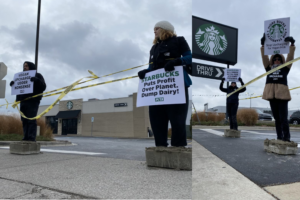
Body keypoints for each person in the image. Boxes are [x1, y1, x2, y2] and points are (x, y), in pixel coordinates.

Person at [137, 21, 192, 147]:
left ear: (166, 29)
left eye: (157, 29)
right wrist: (147, 71)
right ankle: (160, 147)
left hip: (176, 86)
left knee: (177, 119)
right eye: (154, 29)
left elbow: (190, 57)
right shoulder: (154, 48)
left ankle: (178, 147)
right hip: (157, 88)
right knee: (156, 120)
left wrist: (177, 61)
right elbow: (151, 66)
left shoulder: (179, 41)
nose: (154, 31)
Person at [260, 34, 296, 142]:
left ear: (282, 60)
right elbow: (264, 57)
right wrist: (263, 45)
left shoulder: (285, 68)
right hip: (272, 96)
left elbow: (290, 57)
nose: (276, 60)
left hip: (282, 96)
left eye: (279, 59)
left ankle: (287, 138)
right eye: (275, 59)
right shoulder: (268, 68)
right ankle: (279, 137)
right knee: (276, 119)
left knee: (283, 119)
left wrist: (292, 45)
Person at [10, 61, 46, 141]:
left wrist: (36, 80)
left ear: (31, 66)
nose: (25, 67)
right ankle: (25, 136)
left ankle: (31, 137)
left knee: (31, 119)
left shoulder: (38, 75)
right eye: (24, 66)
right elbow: (19, 89)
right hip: (23, 101)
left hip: (32, 101)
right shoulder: (20, 77)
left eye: (26, 66)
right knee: (24, 120)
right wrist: (14, 84)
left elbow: (43, 86)